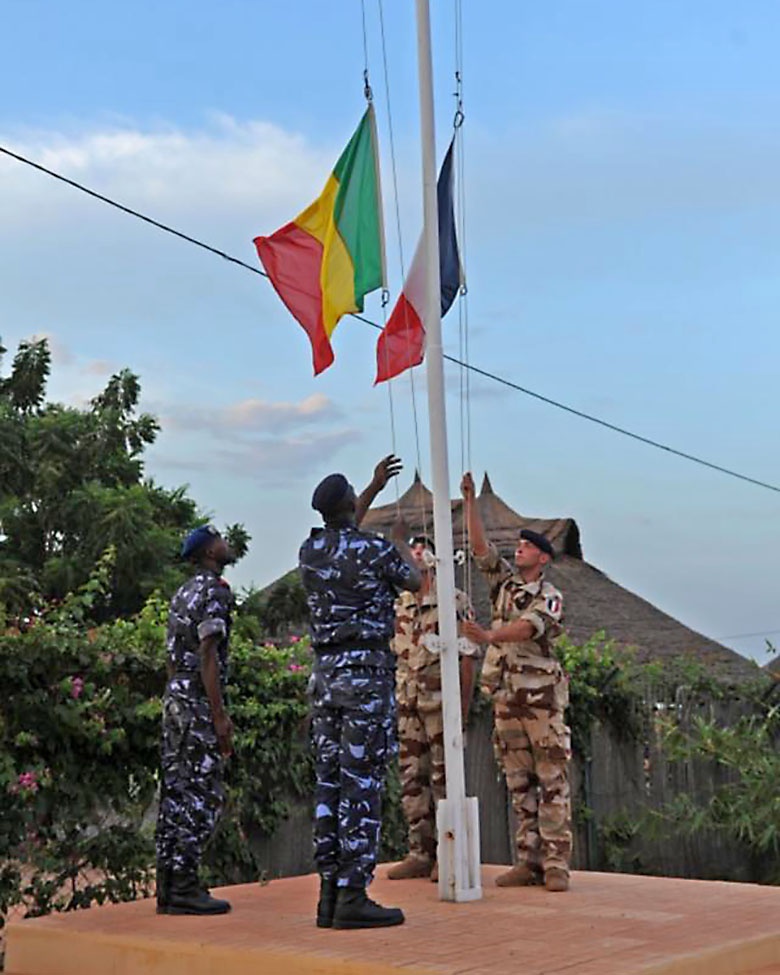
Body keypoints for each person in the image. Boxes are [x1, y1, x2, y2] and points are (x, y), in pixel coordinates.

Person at [299, 455, 422, 930]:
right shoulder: (376, 550)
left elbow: (342, 531)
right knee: (362, 782)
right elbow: (414, 579)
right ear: (351, 504)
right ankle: (354, 895)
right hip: (365, 676)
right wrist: (401, 544)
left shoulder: (311, 551)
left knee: (330, 784)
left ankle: (329, 896)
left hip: (325, 676)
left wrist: (368, 488)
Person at [460, 472, 572, 892]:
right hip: (506, 697)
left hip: (540, 701)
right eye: (519, 545)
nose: (518, 549)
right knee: (518, 783)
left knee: (552, 783)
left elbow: (529, 628)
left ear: (542, 557)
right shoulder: (504, 585)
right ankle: (528, 861)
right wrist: (469, 502)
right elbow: (480, 549)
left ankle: (557, 863)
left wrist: (489, 637)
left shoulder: (551, 595)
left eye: (526, 546)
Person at [387, 533, 479, 882]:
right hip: (408, 706)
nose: (415, 555)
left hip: (441, 708)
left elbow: (468, 656)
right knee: (412, 780)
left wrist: (463, 711)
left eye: (422, 550)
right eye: (412, 550)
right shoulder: (402, 604)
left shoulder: (452, 601)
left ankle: (448, 853)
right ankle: (419, 853)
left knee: (445, 780)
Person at [155, 524, 236, 915]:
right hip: (198, 700)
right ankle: (185, 886)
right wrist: (217, 716)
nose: (226, 544)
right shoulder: (215, 591)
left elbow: (172, 658)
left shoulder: (182, 592)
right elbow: (209, 654)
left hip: (176, 699)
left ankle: (168, 886)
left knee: (175, 790)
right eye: (219, 540)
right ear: (209, 553)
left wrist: (178, 700)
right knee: (203, 794)